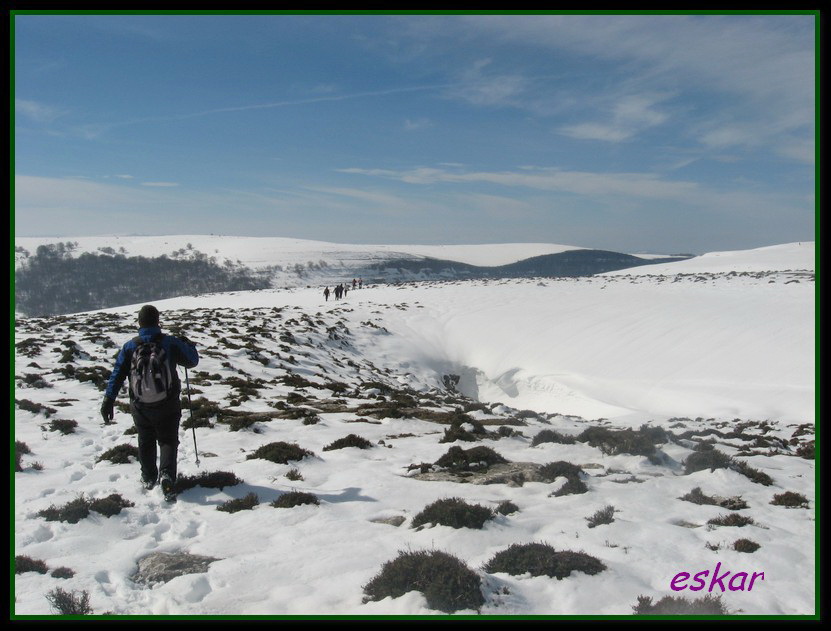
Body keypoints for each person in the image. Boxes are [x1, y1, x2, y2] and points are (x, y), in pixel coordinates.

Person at [100, 305, 199, 498]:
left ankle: (148, 477)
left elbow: (117, 374)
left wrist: (108, 399)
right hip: (168, 403)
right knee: (168, 439)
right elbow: (192, 361)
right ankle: (167, 475)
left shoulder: (130, 347)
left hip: (140, 405)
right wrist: (189, 345)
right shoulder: (168, 343)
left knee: (145, 440)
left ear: (139, 322)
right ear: (158, 321)